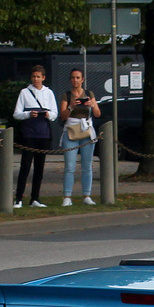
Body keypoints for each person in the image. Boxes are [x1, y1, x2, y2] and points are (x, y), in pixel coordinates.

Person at [13, 65, 57, 208]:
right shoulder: (24, 92)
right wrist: (28, 114)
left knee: (39, 168)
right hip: (29, 134)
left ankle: (35, 198)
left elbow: (54, 114)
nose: (36, 79)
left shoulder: (49, 93)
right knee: (25, 166)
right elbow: (17, 114)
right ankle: (18, 198)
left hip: (43, 135)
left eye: (38, 77)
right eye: (34, 77)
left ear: (43, 78)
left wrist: (48, 114)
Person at [58, 68, 101, 206]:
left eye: (77, 78)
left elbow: (97, 114)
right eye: (72, 78)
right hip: (71, 131)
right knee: (70, 166)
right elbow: (62, 116)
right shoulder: (67, 95)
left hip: (86, 131)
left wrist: (92, 104)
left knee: (87, 165)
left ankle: (87, 195)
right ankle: (67, 196)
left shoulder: (89, 94)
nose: (75, 80)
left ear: (82, 79)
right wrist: (71, 107)